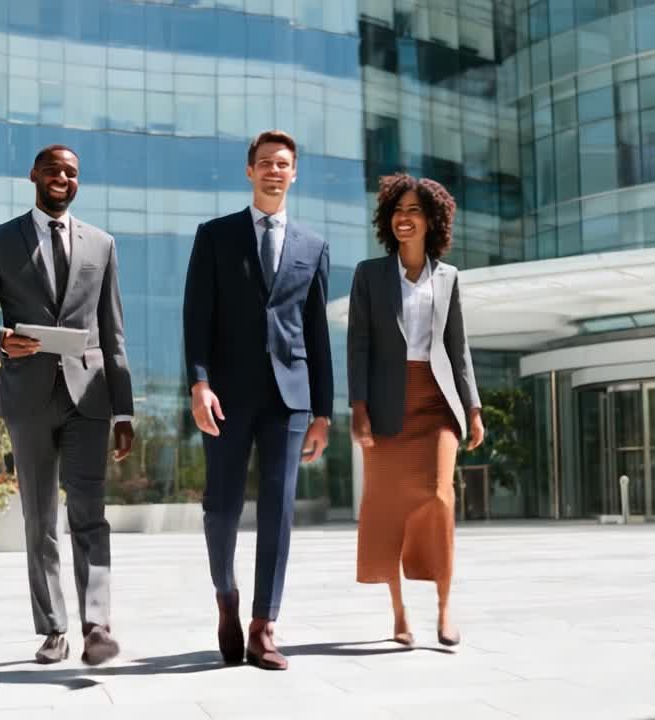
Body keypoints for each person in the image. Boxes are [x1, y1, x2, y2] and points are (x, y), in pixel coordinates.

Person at [0, 145, 134, 666]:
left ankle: (98, 625)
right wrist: (0, 338)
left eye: (72, 172)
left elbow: (114, 332)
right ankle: (54, 628)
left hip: (90, 398)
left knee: (90, 515)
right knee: (40, 520)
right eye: (54, 170)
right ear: (34, 175)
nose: (63, 177)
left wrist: (124, 411)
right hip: (28, 399)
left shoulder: (101, 244)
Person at [182, 129, 334, 671]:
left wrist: (323, 412)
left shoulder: (313, 246)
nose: (275, 170)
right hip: (225, 396)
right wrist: (199, 383)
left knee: (279, 511)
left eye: (284, 164)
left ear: (294, 174)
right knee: (220, 507)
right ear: (250, 172)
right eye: (266, 162)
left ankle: (264, 625)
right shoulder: (216, 236)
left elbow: (317, 333)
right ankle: (227, 599)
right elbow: (196, 318)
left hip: (290, 399)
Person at [347, 173, 484, 648]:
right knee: (387, 509)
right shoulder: (369, 274)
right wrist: (358, 408)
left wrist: (473, 407)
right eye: (398, 211)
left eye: (414, 211)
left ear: (433, 220)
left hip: (435, 402)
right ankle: (400, 614)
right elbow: (358, 345)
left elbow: (457, 345)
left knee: (440, 498)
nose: (404, 219)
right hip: (385, 405)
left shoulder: (448, 277)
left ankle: (446, 607)